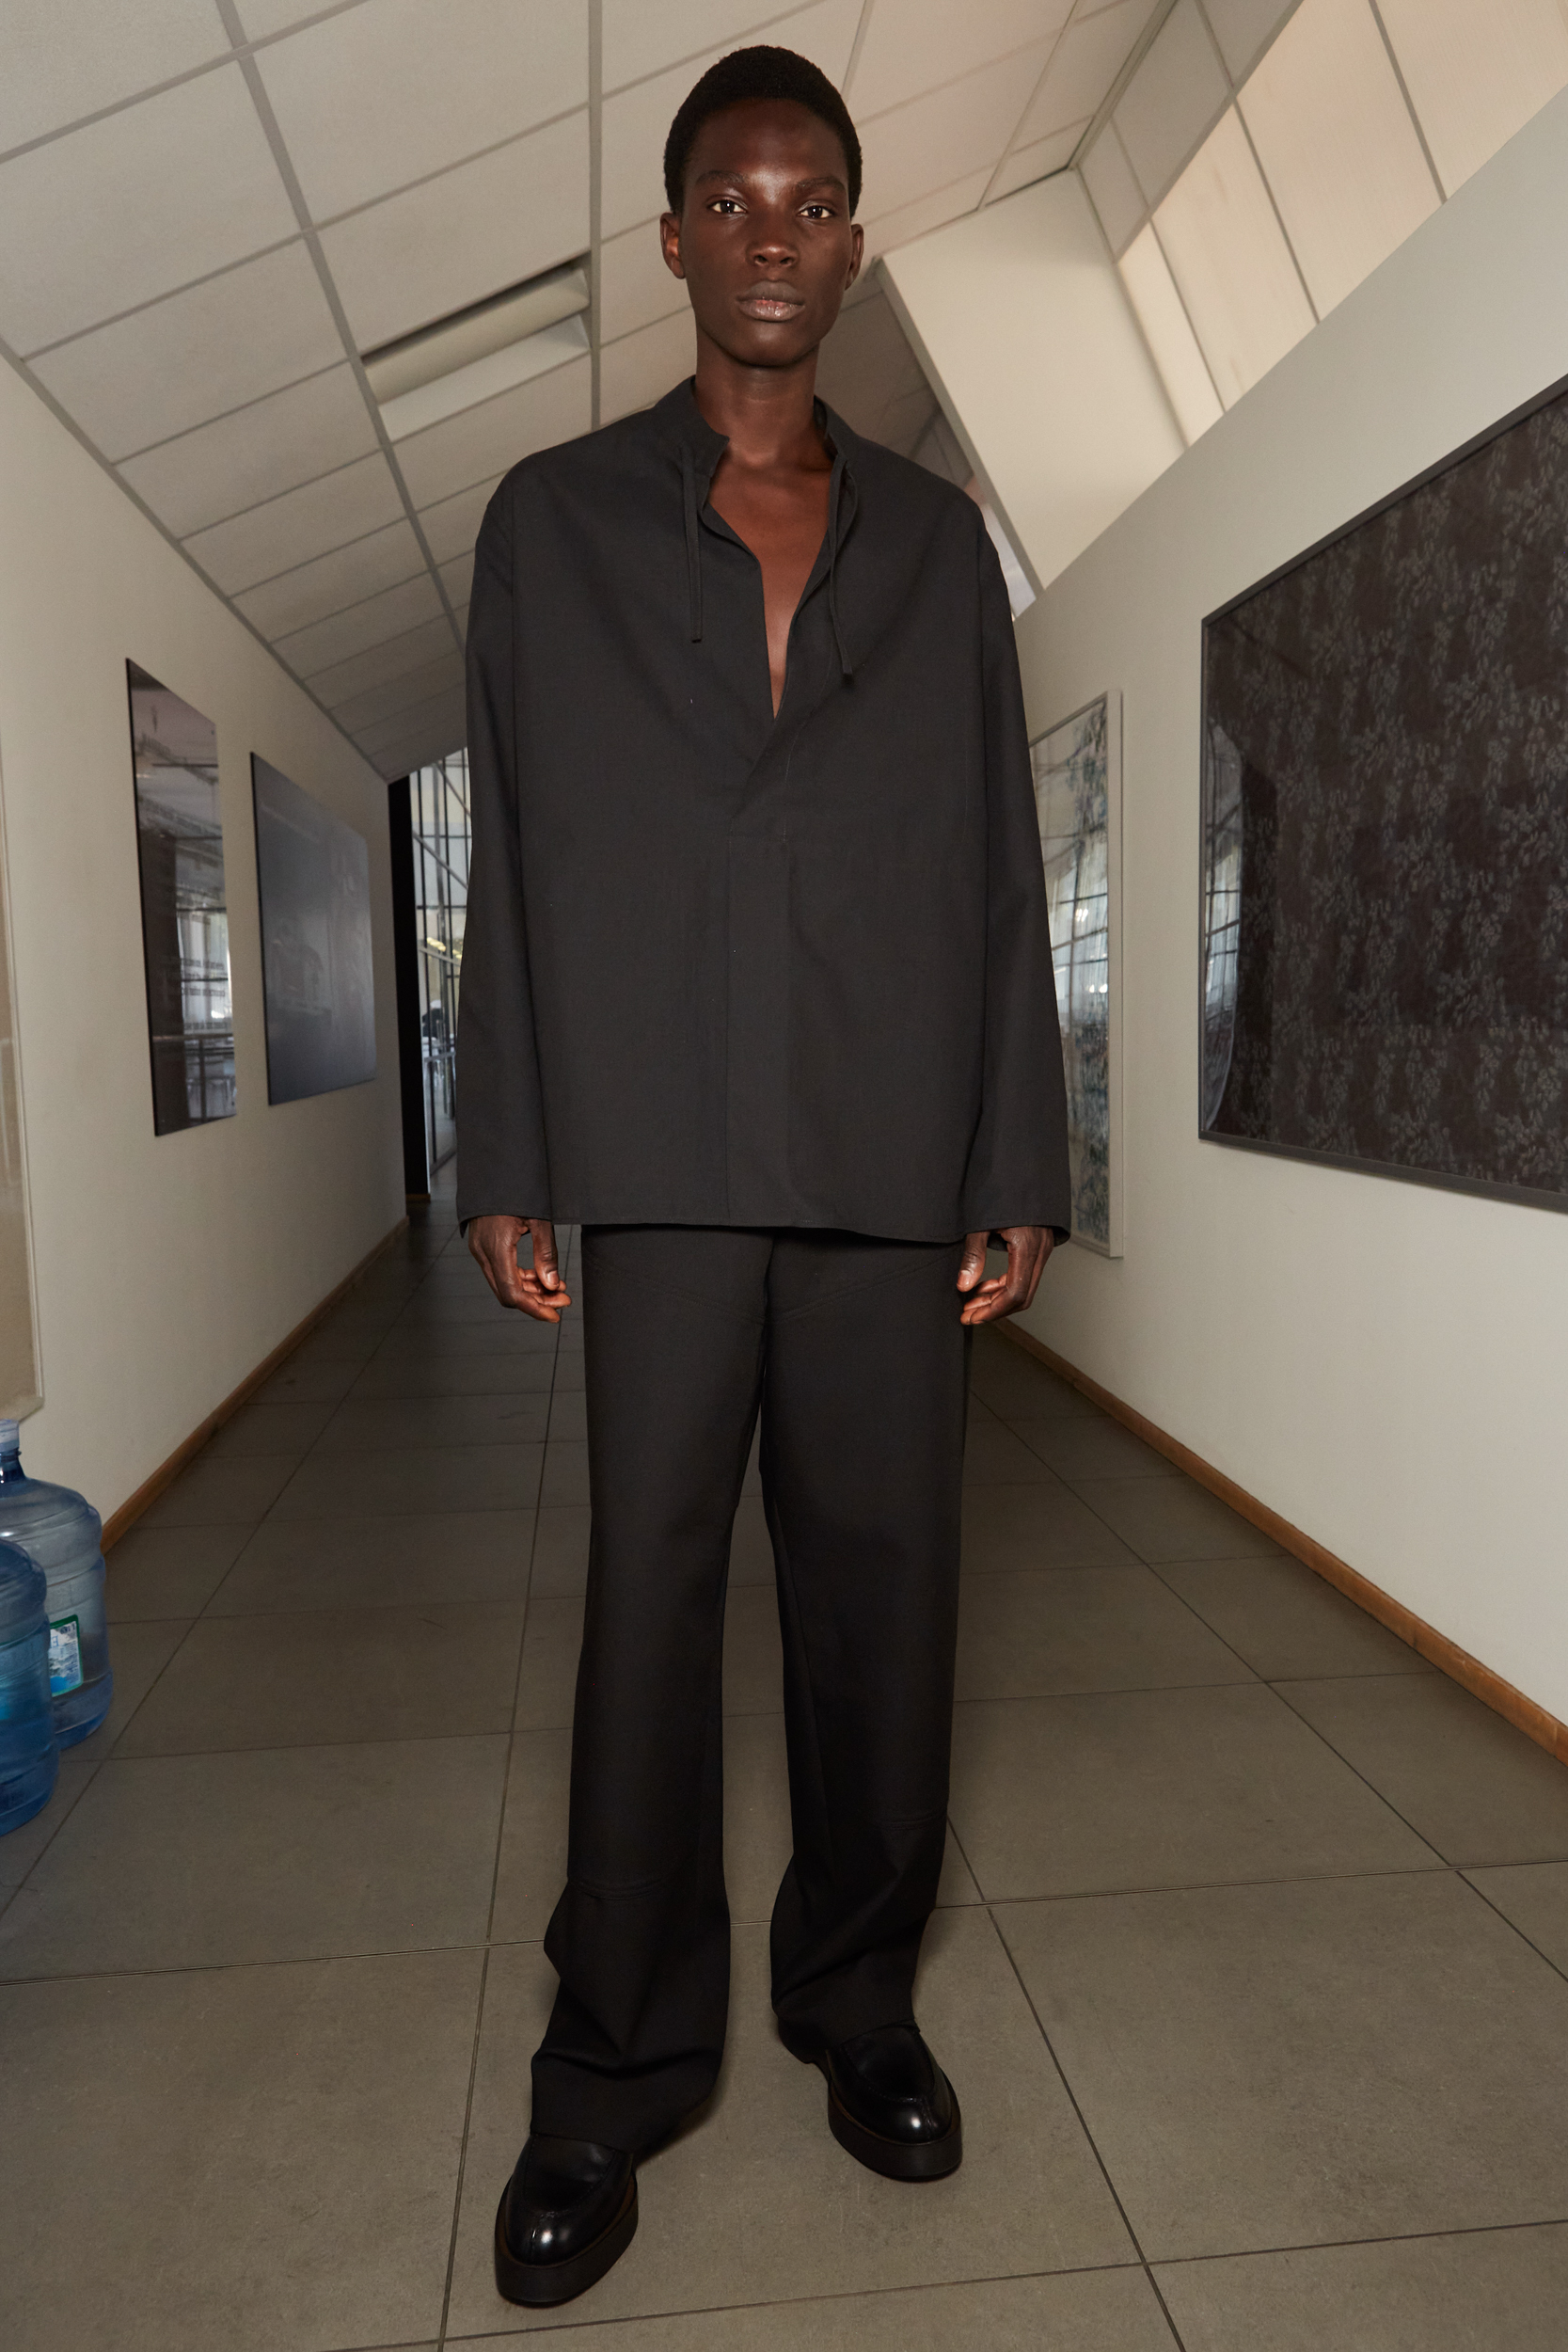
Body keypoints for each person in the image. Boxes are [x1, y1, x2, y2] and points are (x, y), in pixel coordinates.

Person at [458, 43, 1069, 2311]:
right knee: (648, 1606)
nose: (776, 237)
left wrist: (1017, 1150)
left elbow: (997, 864)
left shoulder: (938, 543)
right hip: (660, 1150)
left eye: (814, 201)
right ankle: (614, 2062)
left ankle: (860, 1994)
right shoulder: (551, 525)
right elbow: (511, 854)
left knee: (884, 1601)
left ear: (857, 239)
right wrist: (508, 1147)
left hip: (894, 1151)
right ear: (673, 238)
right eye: (735, 199)